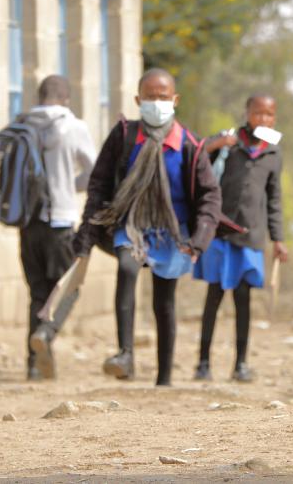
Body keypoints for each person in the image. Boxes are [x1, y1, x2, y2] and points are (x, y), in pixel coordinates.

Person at [74, 68, 222, 385]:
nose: (157, 102)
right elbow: (99, 181)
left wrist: (199, 238)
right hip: (131, 223)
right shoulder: (124, 135)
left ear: (175, 100)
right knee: (127, 268)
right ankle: (125, 354)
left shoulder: (189, 145)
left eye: (163, 97)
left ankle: (164, 377)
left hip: (172, 230)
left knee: (163, 300)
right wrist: (87, 231)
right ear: (138, 100)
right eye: (150, 97)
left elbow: (210, 196)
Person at [193, 95, 289, 383]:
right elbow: (198, 159)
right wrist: (215, 145)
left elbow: (274, 199)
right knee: (214, 297)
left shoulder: (273, 153)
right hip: (221, 233)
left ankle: (241, 364)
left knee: (243, 300)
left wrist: (278, 238)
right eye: (257, 113)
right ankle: (203, 363)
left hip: (250, 236)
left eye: (269, 114)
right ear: (247, 113)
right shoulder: (229, 144)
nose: (263, 119)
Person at [21, 75, 97, 381]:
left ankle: (34, 366)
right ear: (65, 98)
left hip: (27, 224)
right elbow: (92, 173)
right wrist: (69, 184)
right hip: (60, 221)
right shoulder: (74, 126)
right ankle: (47, 333)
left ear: (40, 97)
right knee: (68, 289)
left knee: (39, 292)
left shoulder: (20, 125)